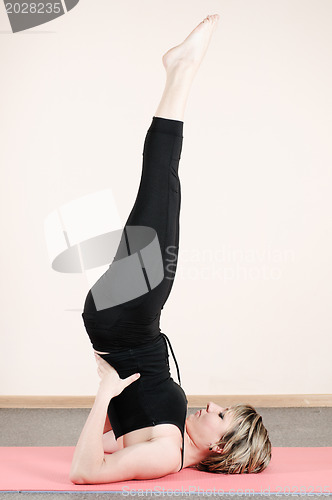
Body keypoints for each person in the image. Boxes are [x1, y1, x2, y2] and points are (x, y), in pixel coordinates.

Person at [70, 14, 271, 485]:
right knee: (164, 193)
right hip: (125, 322)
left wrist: (105, 389)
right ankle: (180, 71)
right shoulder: (170, 435)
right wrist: (111, 397)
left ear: (220, 445)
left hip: (128, 321)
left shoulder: (166, 455)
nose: (214, 406)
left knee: (161, 186)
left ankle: (181, 70)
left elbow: (84, 472)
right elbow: (107, 443)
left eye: (222, 417)